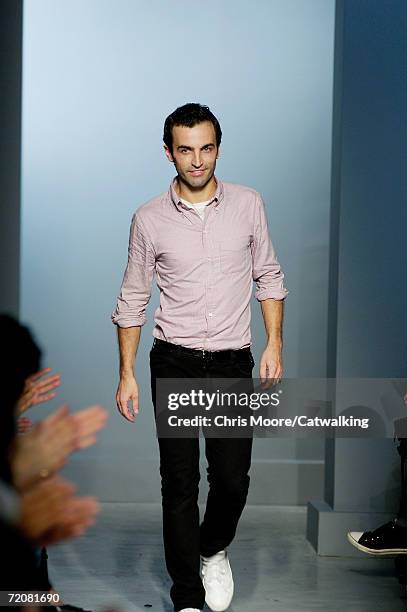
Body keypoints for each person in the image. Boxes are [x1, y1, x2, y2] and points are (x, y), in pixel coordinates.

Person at [112, 103, 288, 612]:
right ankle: (186, 595)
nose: (197, 160)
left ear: (218, 148)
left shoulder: (249, 204)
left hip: (233, 359)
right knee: (180, 482)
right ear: (169, 152)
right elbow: (132, 298)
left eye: (206, 148)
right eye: (185, 150)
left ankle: (213, 548)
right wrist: (126, 374)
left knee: (232, 479)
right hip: (175, 360)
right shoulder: (147, 219)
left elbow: (269, 276)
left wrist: (274, 343)